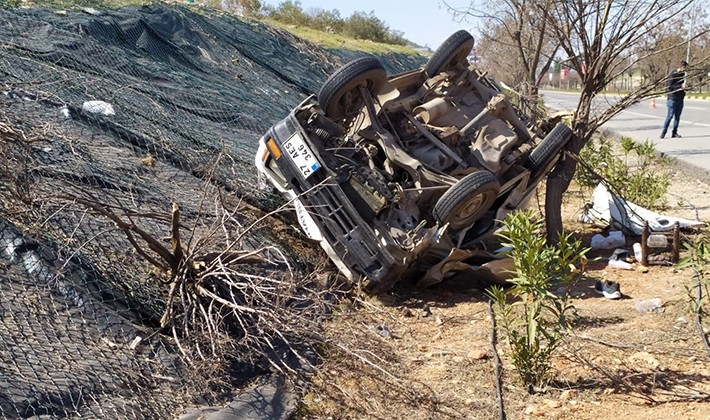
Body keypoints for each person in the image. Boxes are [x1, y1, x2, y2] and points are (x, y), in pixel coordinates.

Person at [660, 61, 688, 139]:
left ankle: (674, 132)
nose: (686, 70)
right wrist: (680, 86)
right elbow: (670, 86)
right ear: (681, 67)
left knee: (677, 117)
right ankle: (663, 132)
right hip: (672, 98)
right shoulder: (673, 74)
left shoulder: (683, 75)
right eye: (685, 68)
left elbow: (683, 86)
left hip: (680, 98)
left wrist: (686, 87)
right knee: (670, 116)